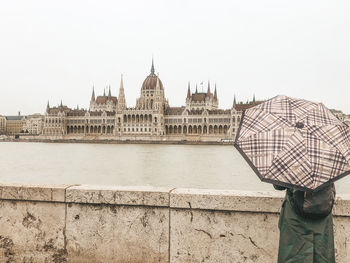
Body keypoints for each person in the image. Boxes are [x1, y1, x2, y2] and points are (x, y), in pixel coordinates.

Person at [274, 184, 335, 263]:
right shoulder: (327, 172)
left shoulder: (293, 171)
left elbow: (278, 185)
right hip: (323, 211)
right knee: (322, 255)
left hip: (294, 216)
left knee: (293, 255)